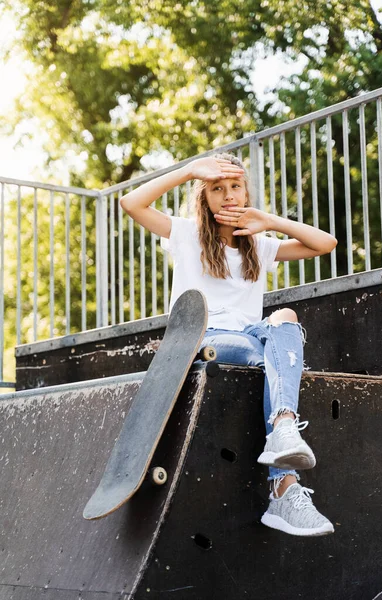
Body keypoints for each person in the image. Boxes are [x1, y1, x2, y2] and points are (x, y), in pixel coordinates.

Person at [120, 152, 337, 537]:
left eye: (236, 186)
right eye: (217, 188)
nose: (228, 195)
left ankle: (284, 430)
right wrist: (189, 170)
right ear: (204, 198)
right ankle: (283, 486)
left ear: (246, 192)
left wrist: (268, 221)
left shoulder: (259, 246)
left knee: (285, 318)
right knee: (271, 354)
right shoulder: (185, 234)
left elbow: (326, 243)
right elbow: (131, 203)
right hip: (201, 336)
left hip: (251, 338)